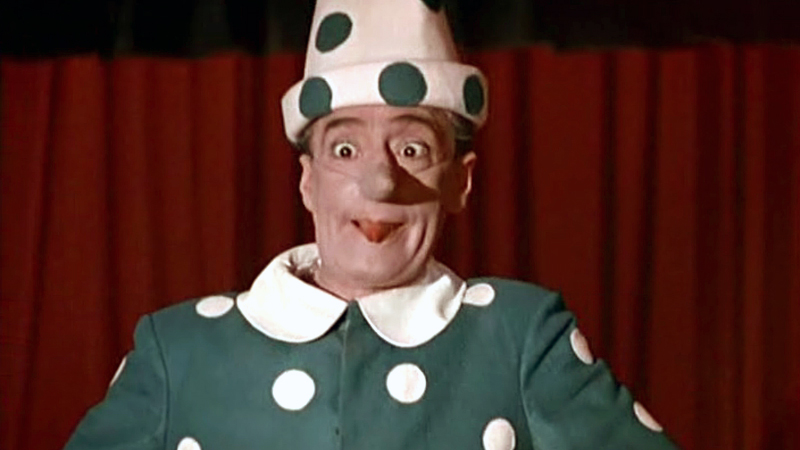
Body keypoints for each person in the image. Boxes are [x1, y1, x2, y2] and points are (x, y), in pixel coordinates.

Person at [65, 1, 679, 449]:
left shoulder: (520, 338)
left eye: (412, 149)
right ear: (307, 180)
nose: (381, 183)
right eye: (345, 149)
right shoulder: (179, 351)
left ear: (460, 182)